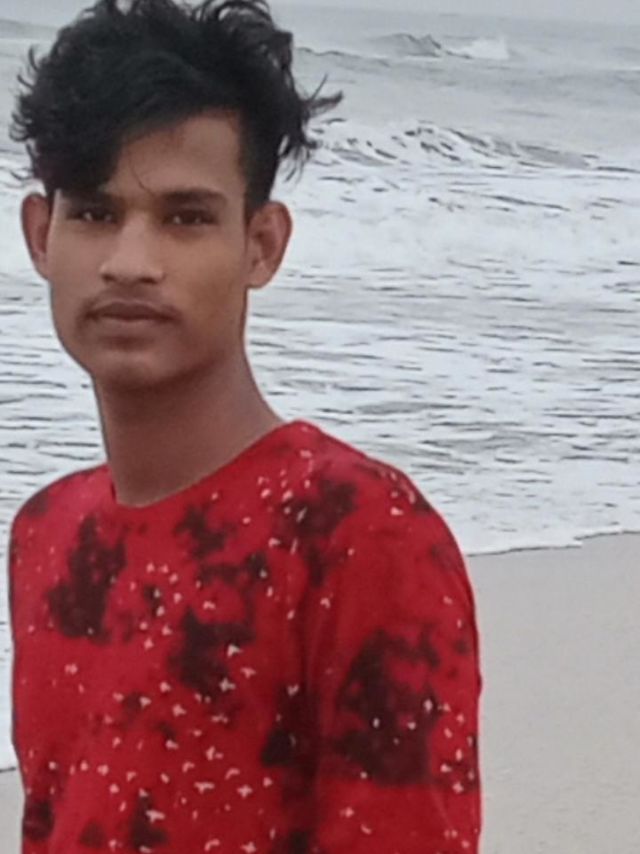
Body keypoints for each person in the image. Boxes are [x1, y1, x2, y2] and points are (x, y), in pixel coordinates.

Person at [7, 1, 482, 851]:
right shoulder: (47, 535)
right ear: (42, 235)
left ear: (262, 244)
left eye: (186, 217)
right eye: (95, 213)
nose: (130, 262)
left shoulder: (357, 533)